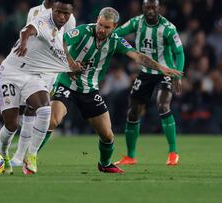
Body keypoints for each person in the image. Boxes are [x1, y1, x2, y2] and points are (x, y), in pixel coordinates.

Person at [44, 7, 183, 173]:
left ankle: (104, 163)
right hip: (66, 83)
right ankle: (30, 158)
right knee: (53, 120)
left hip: (89, 90)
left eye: (107, 27)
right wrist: (70, 64)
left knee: (108, 136)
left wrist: (160, 67)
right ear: (97, 20)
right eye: (100, 24)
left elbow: (137, 56)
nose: (101, 29)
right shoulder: (83, 31)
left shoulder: (116, 40)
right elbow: (60, 41)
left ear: (115, 27)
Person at [0, 0, 81, 175]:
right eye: (59, 12)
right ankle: (3, 152)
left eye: (66, 14)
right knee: (11, 125)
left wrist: (71, 68)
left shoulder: (60, 31)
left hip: (33, 75)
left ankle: (31, 156)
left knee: (44, 109)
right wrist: (24, 42)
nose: (62, 17)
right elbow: (27, 31)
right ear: (53, 10)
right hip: (10, 73)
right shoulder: (43, 19)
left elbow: (62, 50)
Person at [113, 0, 185, 166]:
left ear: (159, 8)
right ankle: (130, 156)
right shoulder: (136, 22)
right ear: (143, 8)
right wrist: (124, 46)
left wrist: (178, 76)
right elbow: (116, 33)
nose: (151, 10)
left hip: (165, 72)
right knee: (133, 113)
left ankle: (173, 152)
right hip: (145, 73)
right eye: (147, 7)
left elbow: (179, 53)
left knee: (163, 105)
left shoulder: (168, 28)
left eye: (154, 7)